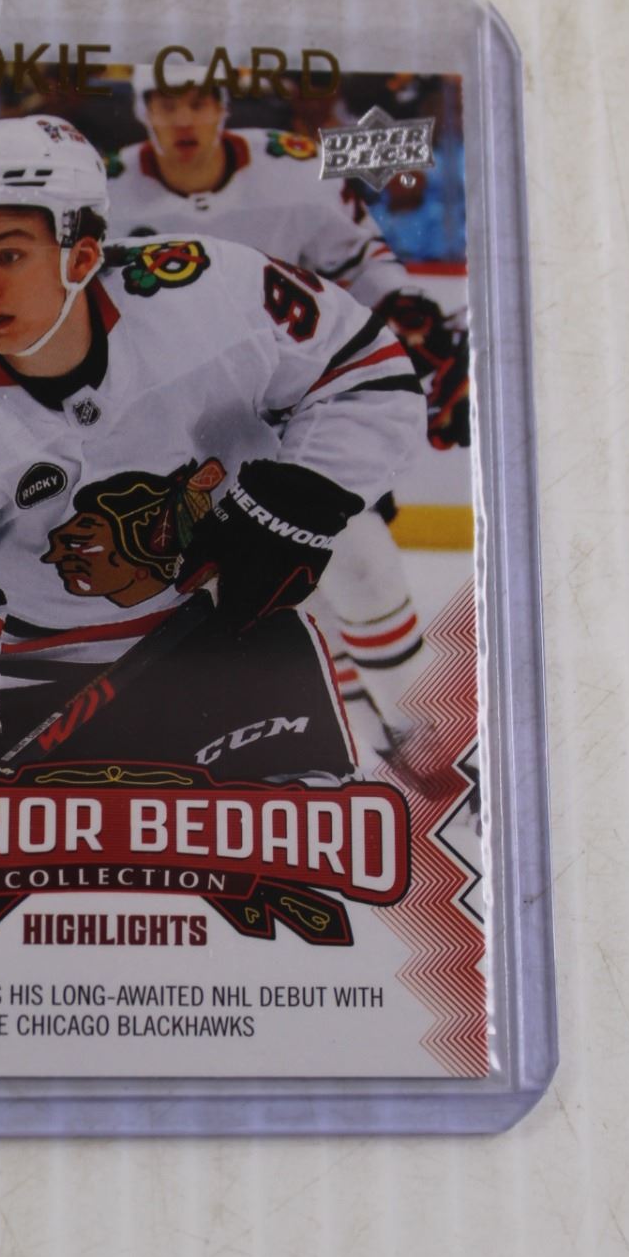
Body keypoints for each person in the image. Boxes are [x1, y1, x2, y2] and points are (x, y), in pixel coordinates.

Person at [0, 114, 425, 789]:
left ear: (82, 255)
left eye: (8, 255)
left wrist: (299, 499)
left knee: (294, 847)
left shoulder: (213, 293)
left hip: (231, 651)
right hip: (30, 686)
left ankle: (431, 737)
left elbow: (365, 371)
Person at [105, 67, 470, 761]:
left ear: (222, 105)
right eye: (166, 103)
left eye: (197, 101)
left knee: (359, 564)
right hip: (178, 424)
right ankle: (369, 739)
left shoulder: (296, 167)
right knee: (273, 596)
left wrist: (409, 318)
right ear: (143, 109)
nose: (183, 119)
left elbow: (366, 263)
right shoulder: (99, 190)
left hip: (304, 402)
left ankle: (422, 730)